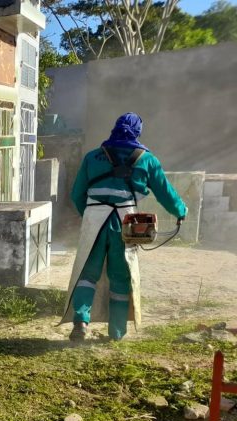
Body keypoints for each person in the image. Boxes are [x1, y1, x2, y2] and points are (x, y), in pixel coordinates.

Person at [61, 112, 187, 342]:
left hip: (94, 221)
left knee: (87, 274)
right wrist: (180, 211)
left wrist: (89, 215)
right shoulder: (147, 160)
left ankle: (80, 322)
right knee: (120, 277)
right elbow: (165, 193)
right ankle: (116, 332)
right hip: (126, 223)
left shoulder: (92, 157)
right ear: (137, 132)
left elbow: (77, 193)